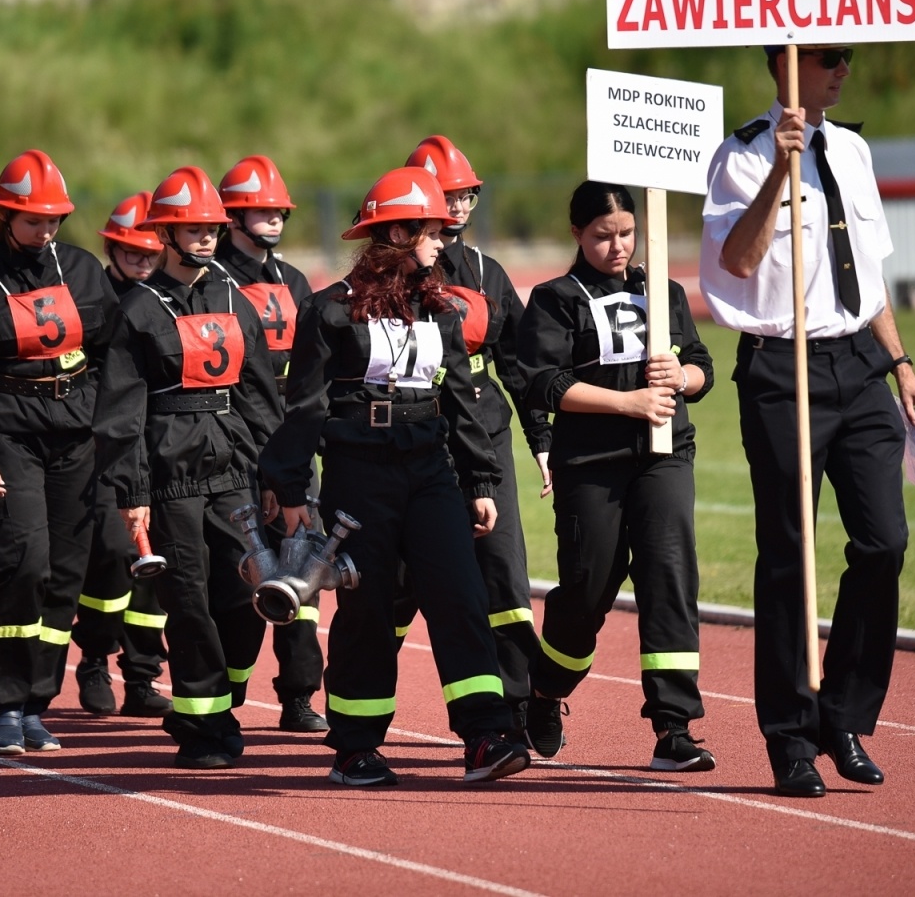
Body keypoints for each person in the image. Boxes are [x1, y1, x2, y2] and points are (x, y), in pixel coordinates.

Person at [700, 44, 915, 798]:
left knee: (884, 541)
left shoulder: (856, 149)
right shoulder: (740, 156)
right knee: (789, 554)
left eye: (847, 56)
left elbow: (869, 276)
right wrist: (781, 166)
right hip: (781, 366)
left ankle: (844, 714)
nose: (843, 68)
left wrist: (901, 363)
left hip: (859, 364)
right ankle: (791, 739)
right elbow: (735, 262)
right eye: (828, 56)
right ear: (786, 64)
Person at [259, 166, 531, 788]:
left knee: (461, 598)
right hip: (359, 477)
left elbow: (463, 400)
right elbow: (304, 409)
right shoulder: (327, 311)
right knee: (366, 613)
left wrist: (482, 482)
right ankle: (355, 746)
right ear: (397, 234)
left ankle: (486, 735)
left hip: (432, 474)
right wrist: (293, 489)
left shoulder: (442, 310)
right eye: (431, 231)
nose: (442, 241)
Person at [0, 149, 117, 755]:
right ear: (6, 215)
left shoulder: (85, 272)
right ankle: (2, 705)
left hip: (75, 438)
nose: (47, 231)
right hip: (5, 439)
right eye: (34, 221)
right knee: (21, 563)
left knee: (64, 574)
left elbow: (114, 357)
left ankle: (38, 702)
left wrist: (107, 432)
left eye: (55, 219)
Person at [517, 180, 716, 772]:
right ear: (577, 233)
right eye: (603, 236)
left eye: (627, 233)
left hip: (665, 457)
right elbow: (544, 383)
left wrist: (681, 378)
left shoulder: (665, 292)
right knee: (587, 592)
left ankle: (673, 727)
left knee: (669, 578)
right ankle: (545, 691)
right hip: (591, 468)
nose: (618, 246)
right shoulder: (555, 300)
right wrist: (625, 404)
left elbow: (703, 367)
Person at [93, 167, 283, 769]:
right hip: (168, 476)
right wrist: (133, 490)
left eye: (211, 227)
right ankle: (204, 727)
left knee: (243, 594)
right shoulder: (138, 310)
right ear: (166, 235)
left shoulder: (233, 296)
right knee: (190, 601)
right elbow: (121, 412)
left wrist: (274, 471)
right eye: (191, 228)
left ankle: (207, 703)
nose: (205, 236)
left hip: (232, 471)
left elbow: (258, 394)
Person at [397, 135, 551, 739]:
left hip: (484, 435)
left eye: (468, 195)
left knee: (503, 575)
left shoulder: (487, 271)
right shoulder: (396, 274)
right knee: (401, 584)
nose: (459, 207)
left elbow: (518, 362)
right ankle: (362, 712)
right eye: (448, 196)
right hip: (415, 440)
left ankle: (516, 704)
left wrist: (539, 437)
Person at [212, 154, 327, 735]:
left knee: (303, 571)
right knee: (245, 575)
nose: (275, 217)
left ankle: (300, 694)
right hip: (236, 446)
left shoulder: (295, 281)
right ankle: (229, 685)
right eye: (262, 208)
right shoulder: (214, 283)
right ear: (232, 215)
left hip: (293, 444)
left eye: (280, 208)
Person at [71, 192, 173, 721]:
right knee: (113, 554)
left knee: (158, 562)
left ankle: (141, 676)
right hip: (105, 444)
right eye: (130, 251)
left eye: (148, 252)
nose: (140, 260)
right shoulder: (94, 300)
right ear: (112, 247)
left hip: (160, 443)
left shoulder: (169, 299)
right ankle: (93, 658)